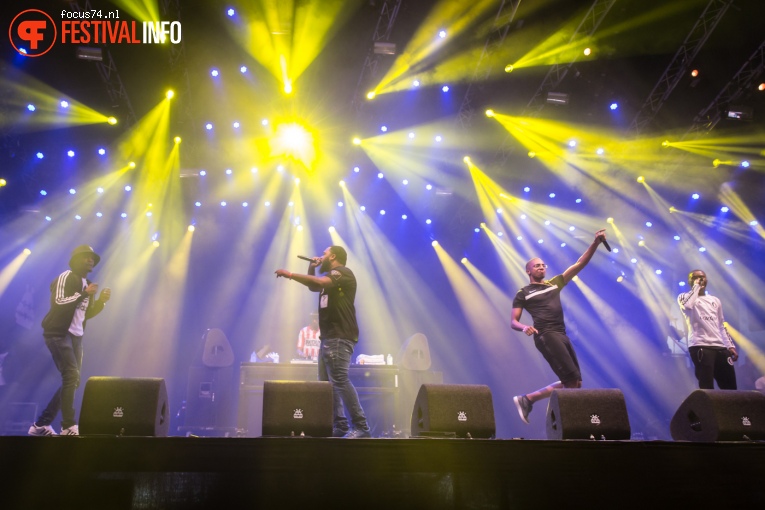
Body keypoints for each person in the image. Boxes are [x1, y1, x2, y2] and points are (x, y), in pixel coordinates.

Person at [510, 229, 607, 424]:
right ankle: (569, 423)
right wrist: (524, 327)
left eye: (543, 265)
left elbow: (579, 264)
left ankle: (528, 399)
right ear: (528, 271)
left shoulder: (554, 284)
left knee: (575, 383)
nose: (541, 267)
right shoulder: (523, 293)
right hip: (545, 334)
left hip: (561, 334)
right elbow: (513, 321)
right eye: (537, 266)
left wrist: (595, 243)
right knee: (571, 382)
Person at [275, 246, 371, 438]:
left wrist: (291, 274)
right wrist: (311, 266)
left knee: (340, 380)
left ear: (333, 256)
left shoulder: (342, 273)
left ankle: (361, 426)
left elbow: (318, 282)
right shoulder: (329, 280)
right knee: (327, 384)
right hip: (328, 337)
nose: (321, 256)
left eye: (325, 254)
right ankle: (340, 425)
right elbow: (314, 286)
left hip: (339, 336)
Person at [28, 245, 111, 436]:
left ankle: (41, 425)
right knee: (71, 377)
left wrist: (101, 302)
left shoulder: (88, 283)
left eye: (92, 258)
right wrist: (84, 293)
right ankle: (68, 426)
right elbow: (59, 303)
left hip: (76, 337)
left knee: (72, 380)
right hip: (57, 333)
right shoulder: (66, 277)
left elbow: (85, 313)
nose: (90, 260)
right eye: (86, 257)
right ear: (76, 260)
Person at [677, 269, 738, 389]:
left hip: (720, 346)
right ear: (690, 281)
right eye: (696, 277)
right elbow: (688, 306)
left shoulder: (715, 300)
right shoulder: (683, 297)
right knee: (707, 384)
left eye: (702, 277)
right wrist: (696, 287)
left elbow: (721, 324)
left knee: (730, 386)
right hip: (700, 345)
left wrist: (730, 345)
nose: (700, 279)